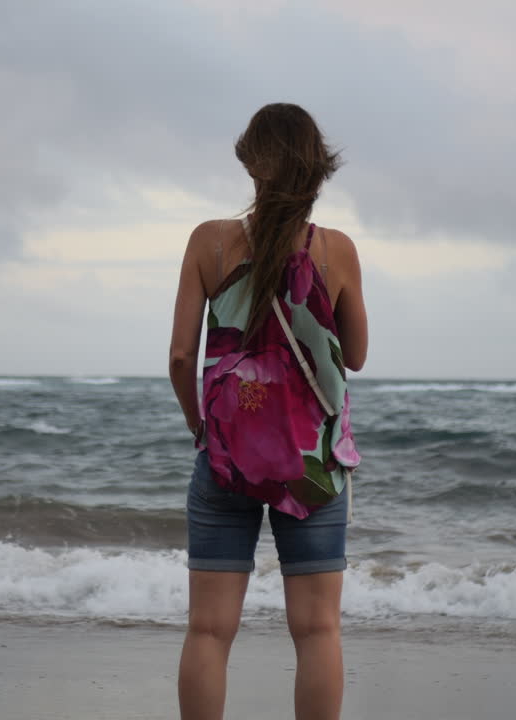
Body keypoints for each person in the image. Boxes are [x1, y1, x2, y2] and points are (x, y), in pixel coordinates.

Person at [168, 103, 368, 720]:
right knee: (317, 631)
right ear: (317, 170)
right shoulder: (336, 251)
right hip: (312, 465)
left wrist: (201, 426)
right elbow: (356, 355)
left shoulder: (209, 242)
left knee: (209, 630)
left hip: (226, 458)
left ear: (251, 164)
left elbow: (180, 357)